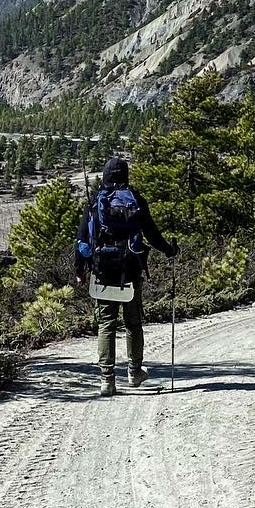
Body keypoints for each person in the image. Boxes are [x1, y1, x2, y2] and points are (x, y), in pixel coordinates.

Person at [75, 156, 177, 397]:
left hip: (102, 270)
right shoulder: (135, 200)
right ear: (126, 175)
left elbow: (81, 240)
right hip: (130, 269)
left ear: (105, 175)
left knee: (106, 325)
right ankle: (134, 372)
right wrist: (169, 250)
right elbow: (151, 233)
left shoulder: (95, 201)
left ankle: (107, 380)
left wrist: (79, 270)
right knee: (133, 323)